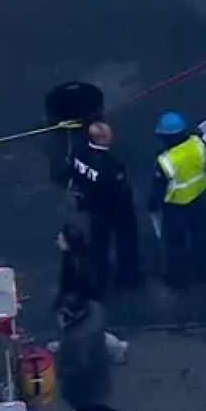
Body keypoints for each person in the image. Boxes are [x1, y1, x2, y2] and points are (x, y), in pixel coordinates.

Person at [147, 112, 206, 288]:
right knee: (201, 237)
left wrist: (153, 205)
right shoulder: (199, 144)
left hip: (176, 207)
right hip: (199, 198)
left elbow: (159, 189)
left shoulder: (165, 161)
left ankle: (177, 280)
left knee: (175, 244)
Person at [70, 121, 140, 288]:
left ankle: (100, 277)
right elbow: (121, 193)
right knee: (126, 242)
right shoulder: (111, 167)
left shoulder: (79, 153)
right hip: (114, 211)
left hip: (93, 207)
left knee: (99, 244)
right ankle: (127, 278)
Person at [55, 291, 140, 411]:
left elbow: (78, 364)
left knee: (90, 405)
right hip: (97, 367)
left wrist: (63, 371)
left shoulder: (77, 338)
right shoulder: (93, 313)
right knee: (83, 404)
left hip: (84, 379)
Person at [55, 223, 129, 362]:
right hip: (81, 301)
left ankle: (115, 347)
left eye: (61, 238)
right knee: (79, 329)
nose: (58, 241)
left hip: (81, 302)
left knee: (86, 331)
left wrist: (67, 303)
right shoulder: (76, 257)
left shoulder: (75, 264)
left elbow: (76, 285)